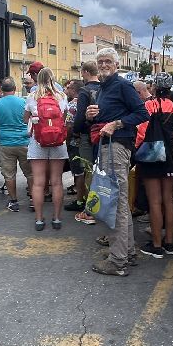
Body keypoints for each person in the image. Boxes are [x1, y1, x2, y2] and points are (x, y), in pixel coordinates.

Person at [85, 47, 149, 276]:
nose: (103, 65)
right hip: (109, 147)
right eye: (100, 61)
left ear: (116, 64)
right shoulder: (104, 87)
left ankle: (118, 260)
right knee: (119, 200)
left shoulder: (122, 85)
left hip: (117, 147)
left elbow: (142, 113)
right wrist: (92, 115)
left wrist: (117, 124)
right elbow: (107, 116)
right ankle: (127, 252)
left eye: (107, 61)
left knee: (116, 203)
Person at [135, 76, 173, 258]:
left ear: (154, 87)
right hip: (170, 155)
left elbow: (141, 132)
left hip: (151, 156)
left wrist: (137, 149)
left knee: (154, 202)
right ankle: (169, 243)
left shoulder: (148, 106)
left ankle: (156, 245)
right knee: (169, 200)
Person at [24, 68, 69, 231]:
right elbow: (63, 119)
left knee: (38, 182)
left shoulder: (32, 97)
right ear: (53, 78)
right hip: (58, 142)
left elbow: (25, 119)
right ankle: (56, 219)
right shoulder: (62, 96)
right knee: (56, 182)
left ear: (38, 80)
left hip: (38, 141)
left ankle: (39, 219)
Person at [0, 78, 32, 211]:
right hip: (25, 142)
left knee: (9, 174)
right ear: (14, 88)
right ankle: (33, 200)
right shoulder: (24, 102)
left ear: (2, 89)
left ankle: (13, 202)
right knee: (30, 173)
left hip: (6, 144)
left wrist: (2, 127)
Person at [71, 61, 101, 224]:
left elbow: (80, 117)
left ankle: (91, 210)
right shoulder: (104, 87)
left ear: (86, 72)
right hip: (103, 134)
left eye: (82, 72)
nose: (81, 76)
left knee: (89, 171)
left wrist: (75, 131)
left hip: (87, 135)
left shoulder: (84, 91)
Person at [63, 79, 86, 210]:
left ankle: (79, 201)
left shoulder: (72, 105)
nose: (67, 90)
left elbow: (69, 125)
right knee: (86, 171)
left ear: (73, 90)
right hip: (86, 141)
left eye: (69, 88)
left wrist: (66, 139)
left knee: (78, 173)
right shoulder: (87, 102)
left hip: (74, 142)